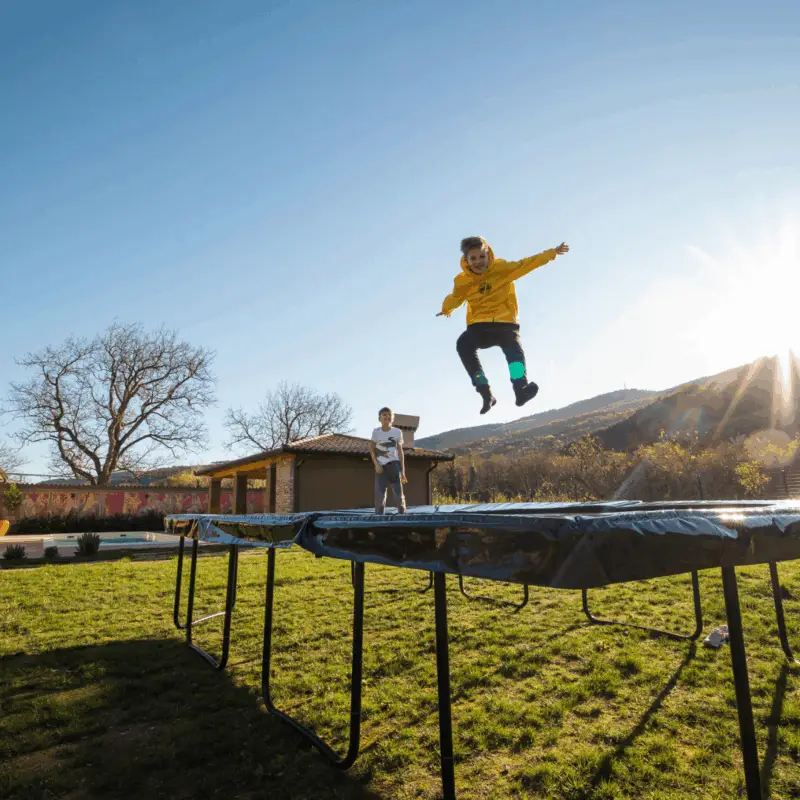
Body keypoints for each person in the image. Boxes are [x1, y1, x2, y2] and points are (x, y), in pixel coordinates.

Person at [437, 236, 569, 414]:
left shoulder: (502, 269)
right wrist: (446, 309)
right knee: (463, 344)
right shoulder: (462, 281)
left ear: (488, 255)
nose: (478, 262)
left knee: (514, 351)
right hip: (479, 325)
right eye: (473, 259)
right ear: (466, 260)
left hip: (505, 323)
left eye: (482, 257)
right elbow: (455, 298)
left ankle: (520, 389)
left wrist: (552, 253)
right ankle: (485, 391)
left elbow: (526, 264)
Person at [369, 407, 407, 514]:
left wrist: (403, 471)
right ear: (379, 418)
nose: (387, 416)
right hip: (381, 466)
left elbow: (400, 452)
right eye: (384, 414)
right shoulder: (376, 432)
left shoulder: (397, 432)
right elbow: (372, 449)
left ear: (392, 418)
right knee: (380, 495)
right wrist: (376, 464)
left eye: (389, 414)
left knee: (398, 494)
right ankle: (379, 518)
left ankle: (403, 516)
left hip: (394, 465)